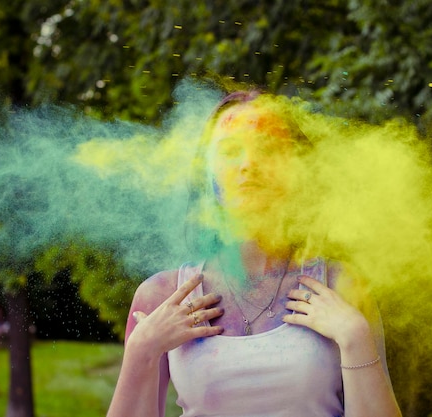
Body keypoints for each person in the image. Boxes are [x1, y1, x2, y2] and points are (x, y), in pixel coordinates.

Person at [107, 89, 402, 417]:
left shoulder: (343, 287)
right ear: (208, 171)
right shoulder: (161, 296)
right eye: (231, 150)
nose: (249, 164)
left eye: (267, 148)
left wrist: (355, 337)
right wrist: (141, 352)